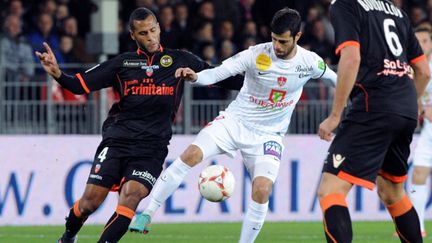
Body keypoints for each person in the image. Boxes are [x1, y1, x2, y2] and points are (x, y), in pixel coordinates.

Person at [129, 8, 337, 243]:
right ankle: (147, 213)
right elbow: (217, 73)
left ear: (297, 37)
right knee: (191, 154)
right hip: (234, 122)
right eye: (274, 39)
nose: (277, 46)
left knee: (262, 189)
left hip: (269, 135)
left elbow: (335, 79)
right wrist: (196, 77)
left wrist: (346, 104)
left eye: (283, 41)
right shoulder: (256, 55)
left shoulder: (309, 62)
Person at [35, 7, 241, 243]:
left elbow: (219, 76)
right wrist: (57, 72)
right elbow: (79, 85)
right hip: (117, 141)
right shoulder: (123, 63)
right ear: (133, 35)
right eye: (143, 33)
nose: (150, 37)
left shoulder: (180, 60)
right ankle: (69, 236)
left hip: (152, 148)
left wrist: (259, 81)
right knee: (90, 202)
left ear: (159, 28)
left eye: (153, 30)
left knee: (131, 197)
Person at [317, 0, 431, 242]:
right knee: (392, 192)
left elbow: (351, 57)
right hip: (405, 108)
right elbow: (423, 71)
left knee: (331, 190)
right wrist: (413, 104)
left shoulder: (345, 5)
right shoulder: (396, 12)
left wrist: (335, 115)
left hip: (373, 105)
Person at [409, 25, 432, 238]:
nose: (421, 45)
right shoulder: (413, 67)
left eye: (425, 41)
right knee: (418, 174)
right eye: (417, 41)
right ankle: (418, 227)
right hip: (429, 131)